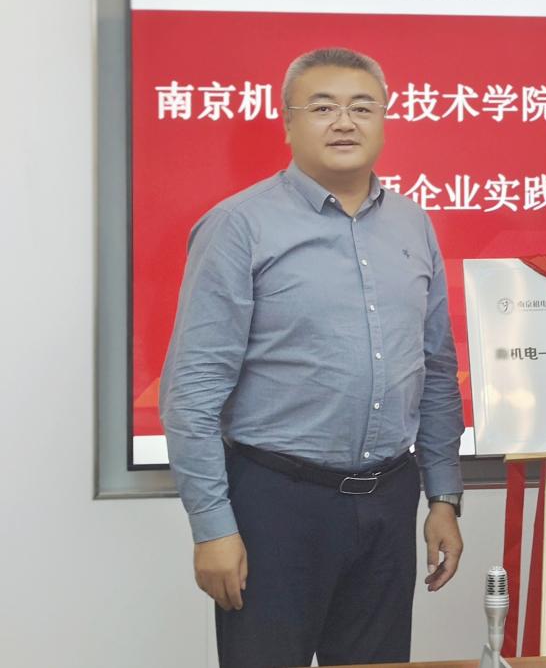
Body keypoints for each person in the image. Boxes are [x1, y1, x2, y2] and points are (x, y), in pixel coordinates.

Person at [160, 47, 465, 668]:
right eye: (323, 108)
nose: (344, 122)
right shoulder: (240, 226)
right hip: (276, 503)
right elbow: (191, 391)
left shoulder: (413, 224)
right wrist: (213, 527)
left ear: (384, 119)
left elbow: (435, 369)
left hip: (389, 498)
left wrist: (443, 495)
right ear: (288, 123)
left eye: (362, 107)